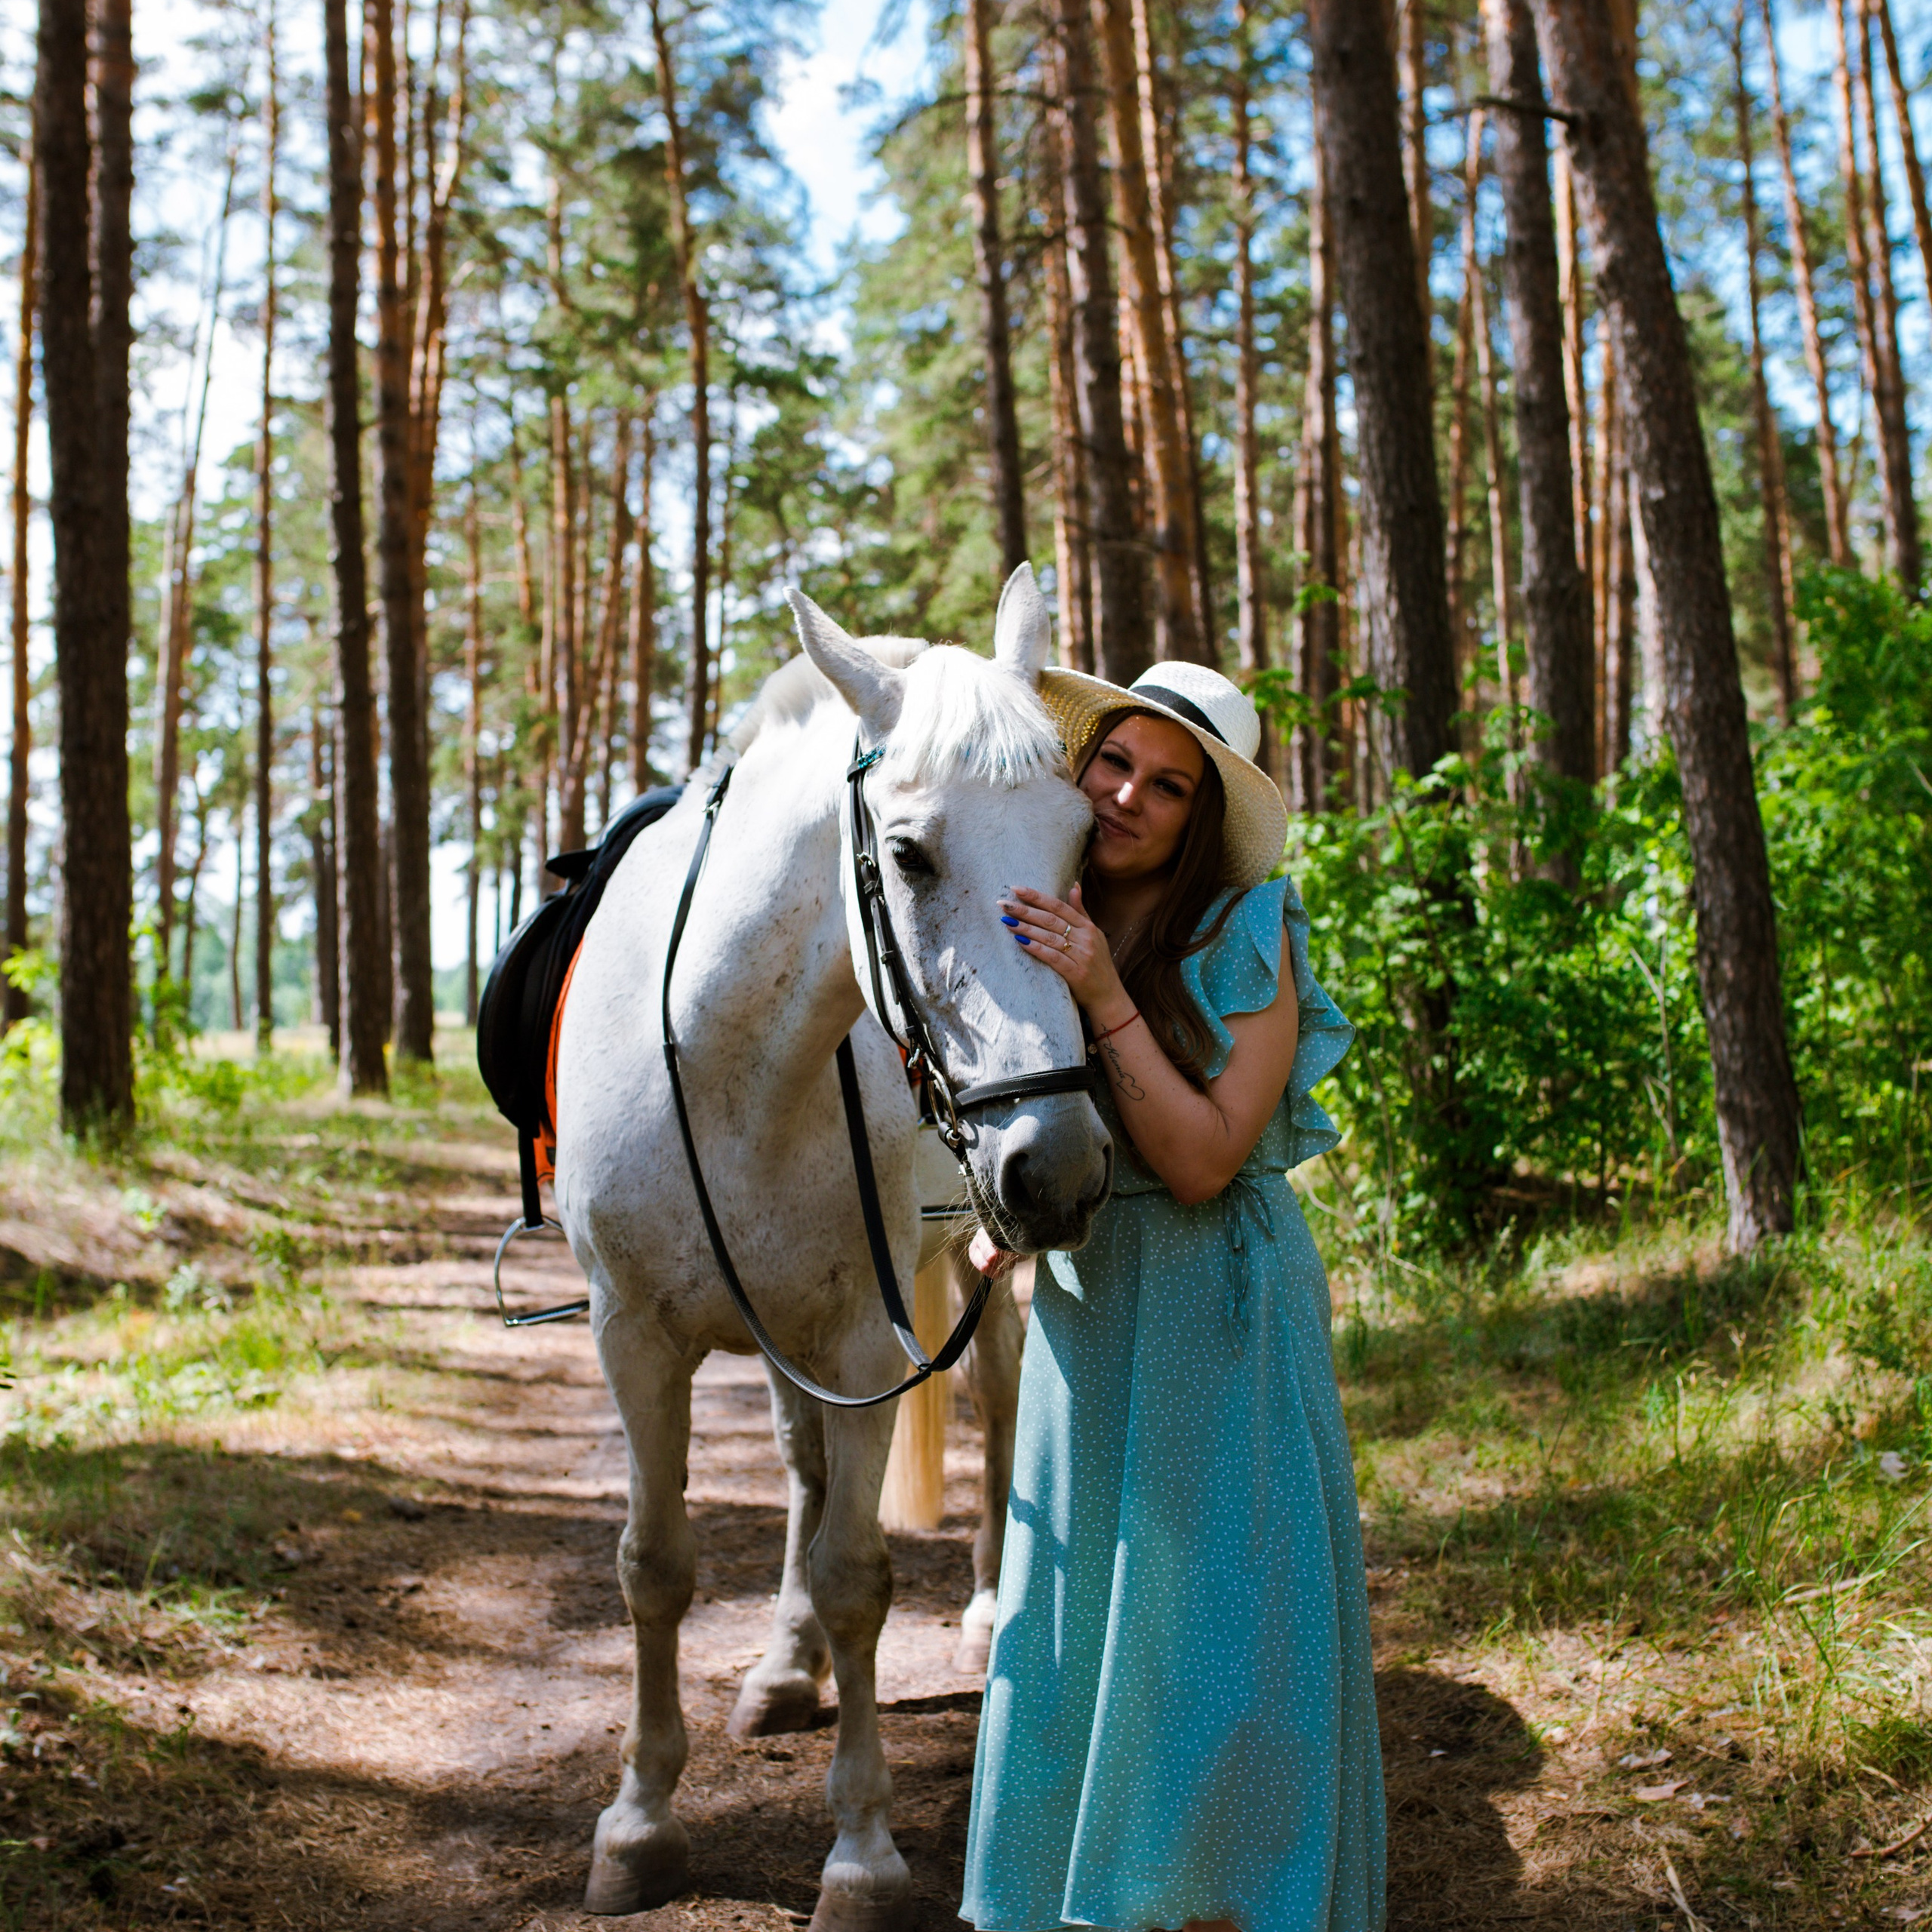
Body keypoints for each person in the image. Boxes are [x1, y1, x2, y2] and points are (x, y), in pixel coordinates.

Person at [959, 660, 1386, 1932]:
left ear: (1204, 817)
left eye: (1169, 784)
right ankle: (1063, 1899)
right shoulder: (1047, 909)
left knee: (1212, 1628)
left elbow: (1202, 1160)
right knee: (1073, 1611)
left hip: (1216, 1302)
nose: (1131, 795)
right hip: (1093, 1301)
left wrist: (1101, 993)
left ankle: (1213, 1902)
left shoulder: (1245, 932)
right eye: (1115, 764)